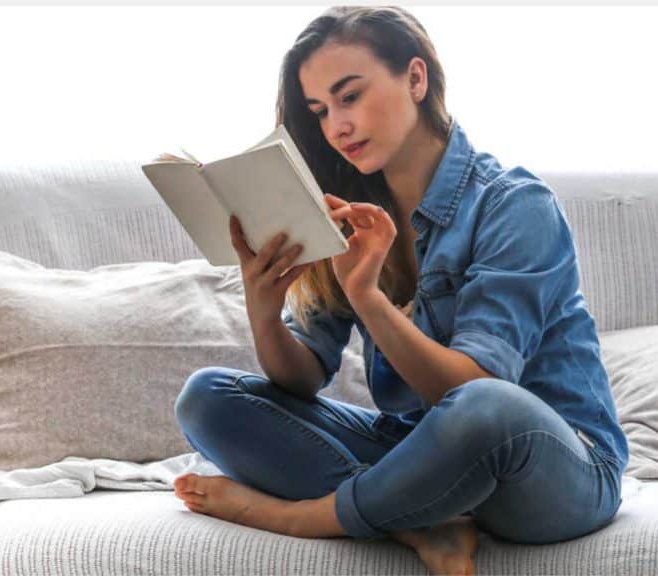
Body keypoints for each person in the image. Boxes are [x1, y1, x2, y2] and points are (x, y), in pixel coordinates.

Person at [172, 6, 628, 575]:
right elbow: (304, 377)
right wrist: (263, 312)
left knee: (485, 407)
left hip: (553, 466)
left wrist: (371, 300)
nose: (336, 126)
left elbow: (476, 392)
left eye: (350, 96)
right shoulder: (346, 212)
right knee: (208, 397)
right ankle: (419, 519)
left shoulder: (513, 204)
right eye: (319, 111)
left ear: (416, 79)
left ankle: (304, 516)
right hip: (422, 456)